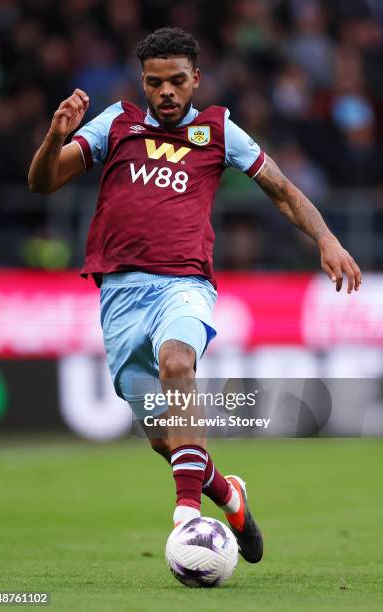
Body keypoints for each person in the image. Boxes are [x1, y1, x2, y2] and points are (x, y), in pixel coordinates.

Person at [28, 27, 361, 564]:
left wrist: (325, 238)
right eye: (156, 82)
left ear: (196, 79)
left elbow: (282, 189)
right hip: (118, 294)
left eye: (177, 82)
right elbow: (43, 184)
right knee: (168, 441)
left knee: (177, 362)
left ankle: (187, 519)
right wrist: (53, 138)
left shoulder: (218, 130)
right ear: (143, 81)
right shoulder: (115, 123)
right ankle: (229, 495)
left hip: (185, 284)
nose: (166, 92)